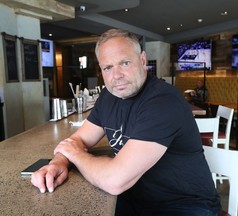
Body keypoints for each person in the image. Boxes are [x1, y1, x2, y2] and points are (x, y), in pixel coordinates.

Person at [31, 29, 221, 215]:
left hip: (185, 205)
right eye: (108, 67)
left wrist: (74, 155)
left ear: (143, 60)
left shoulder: (162, 101)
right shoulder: (108, 96)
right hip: (136, 198)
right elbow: (78, 140)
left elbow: (114, 180)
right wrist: (58, 162)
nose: (116, 75)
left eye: (125, 63)